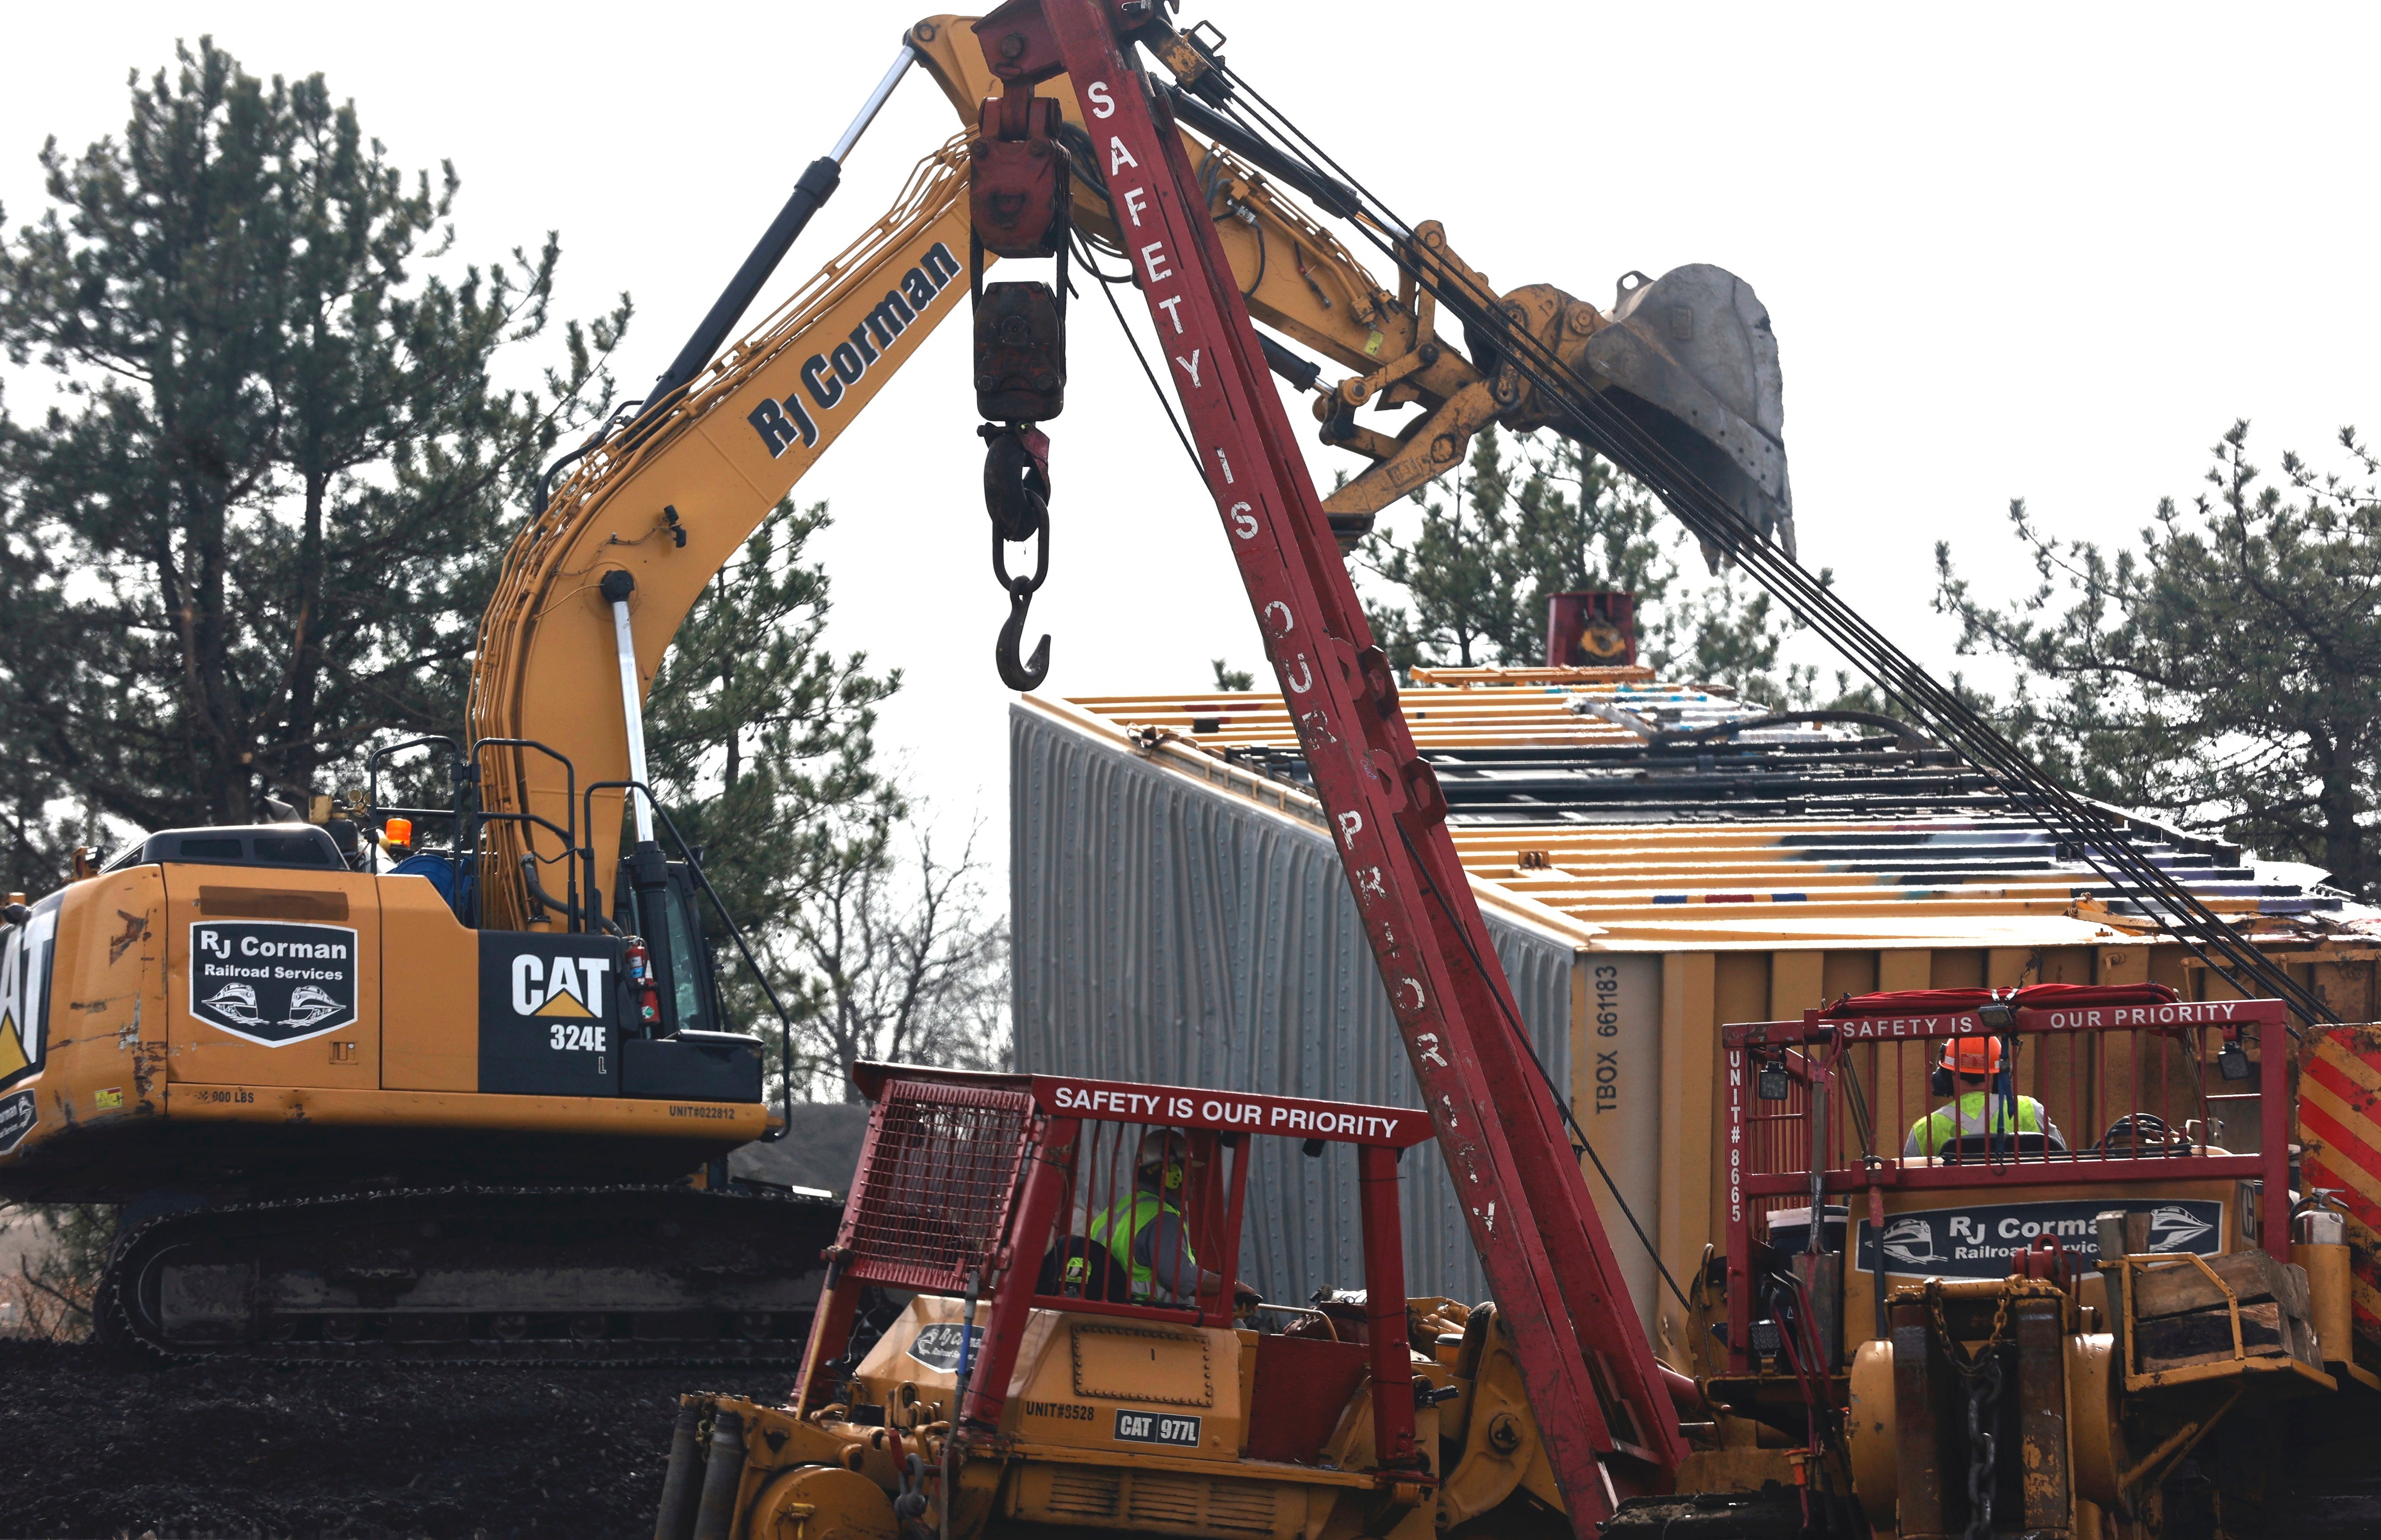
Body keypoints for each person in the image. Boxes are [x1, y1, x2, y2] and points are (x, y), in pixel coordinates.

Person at [1079, 1129, 1229, 1304]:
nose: (1193, 1179)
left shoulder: (1116, 1211)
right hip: (1152, 1319)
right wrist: (1232, 1287)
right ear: (1174, 1175)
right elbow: (1180, 1277)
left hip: (1117, 1311)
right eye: (1188, 1170)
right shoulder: (1163, 1218)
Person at [1903, 1035, 2065, 1157]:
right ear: (1998, 1073)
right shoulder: (2030, 1109)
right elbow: (2063, 1162)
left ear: (1949, 1073)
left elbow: (1909, 1188)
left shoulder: (1926, 1129)